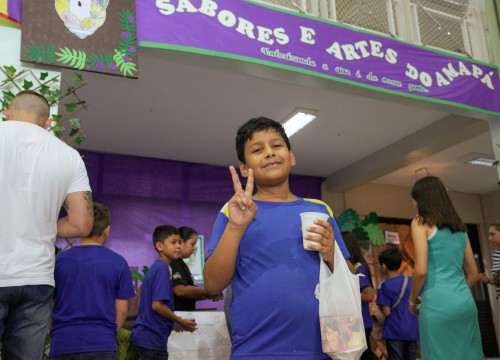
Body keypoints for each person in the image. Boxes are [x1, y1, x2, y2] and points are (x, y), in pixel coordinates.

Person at [204, 116, 350, 359]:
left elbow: (347, 276)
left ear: (291, 156)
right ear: (243, 167)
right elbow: (212, 285)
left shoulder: (321, 210)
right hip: (255, 350)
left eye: (277, 146)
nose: (269, 153)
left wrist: (331, 253)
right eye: (258, 150)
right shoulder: (234, 211)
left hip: (322, 348)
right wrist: (236, 228)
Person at [0, 90, 93, 359]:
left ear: (8, 111)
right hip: (36, 279)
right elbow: (80, 224)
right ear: (47, 122)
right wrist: (40, 222)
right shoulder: (69, 156)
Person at [49, 203, 135, 359]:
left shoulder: (59, 260)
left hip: (64, 341)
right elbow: (122, 310)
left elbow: (48, 303)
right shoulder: (119, 262)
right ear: (107, 230)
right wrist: (107, 336)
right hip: (102, 342)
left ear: (81, 226)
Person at [409, 175, 482, 359]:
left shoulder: (420, 222)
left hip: (436, 304)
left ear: (422, 199)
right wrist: (456, 292)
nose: (413, 204)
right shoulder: (460, 228)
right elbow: (473, 274)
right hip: (465, 303)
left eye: (415, 199)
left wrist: (412, 301)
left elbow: (421, 270)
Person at [131, 225, 197, 359]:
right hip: (151, 341)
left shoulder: (158, 267)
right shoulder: (162, 269)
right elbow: (157, 306)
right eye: (173, 242)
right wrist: (180, 321)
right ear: (160, 246)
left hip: (147, 339)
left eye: (179, 242)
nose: (178, 246)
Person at [376, 247, 419, 360]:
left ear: (384, 266)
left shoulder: (384, 285)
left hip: (394, 332)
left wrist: (380, 307)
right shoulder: (411, 281)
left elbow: (387, 312)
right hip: (412, 330)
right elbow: (418, 305)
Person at [170, 226, 223, 311]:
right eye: (192, 244)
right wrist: (208, 291)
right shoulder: (174, 262)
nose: (195, 248)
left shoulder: (182, 264)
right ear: (182, 242)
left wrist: (209, 295)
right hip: (178, 318)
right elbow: (180, 291)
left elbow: (189, 295)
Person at [342, 231, 374, 360]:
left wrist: (347, 295)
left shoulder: (358, 267)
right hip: (357, 321)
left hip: (362, 322)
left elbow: (368, 295)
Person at [479, 221, 500, 298]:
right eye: (489, 235)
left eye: (493, 234)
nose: (489, 238)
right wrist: (488, 280)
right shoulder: (496, 254)